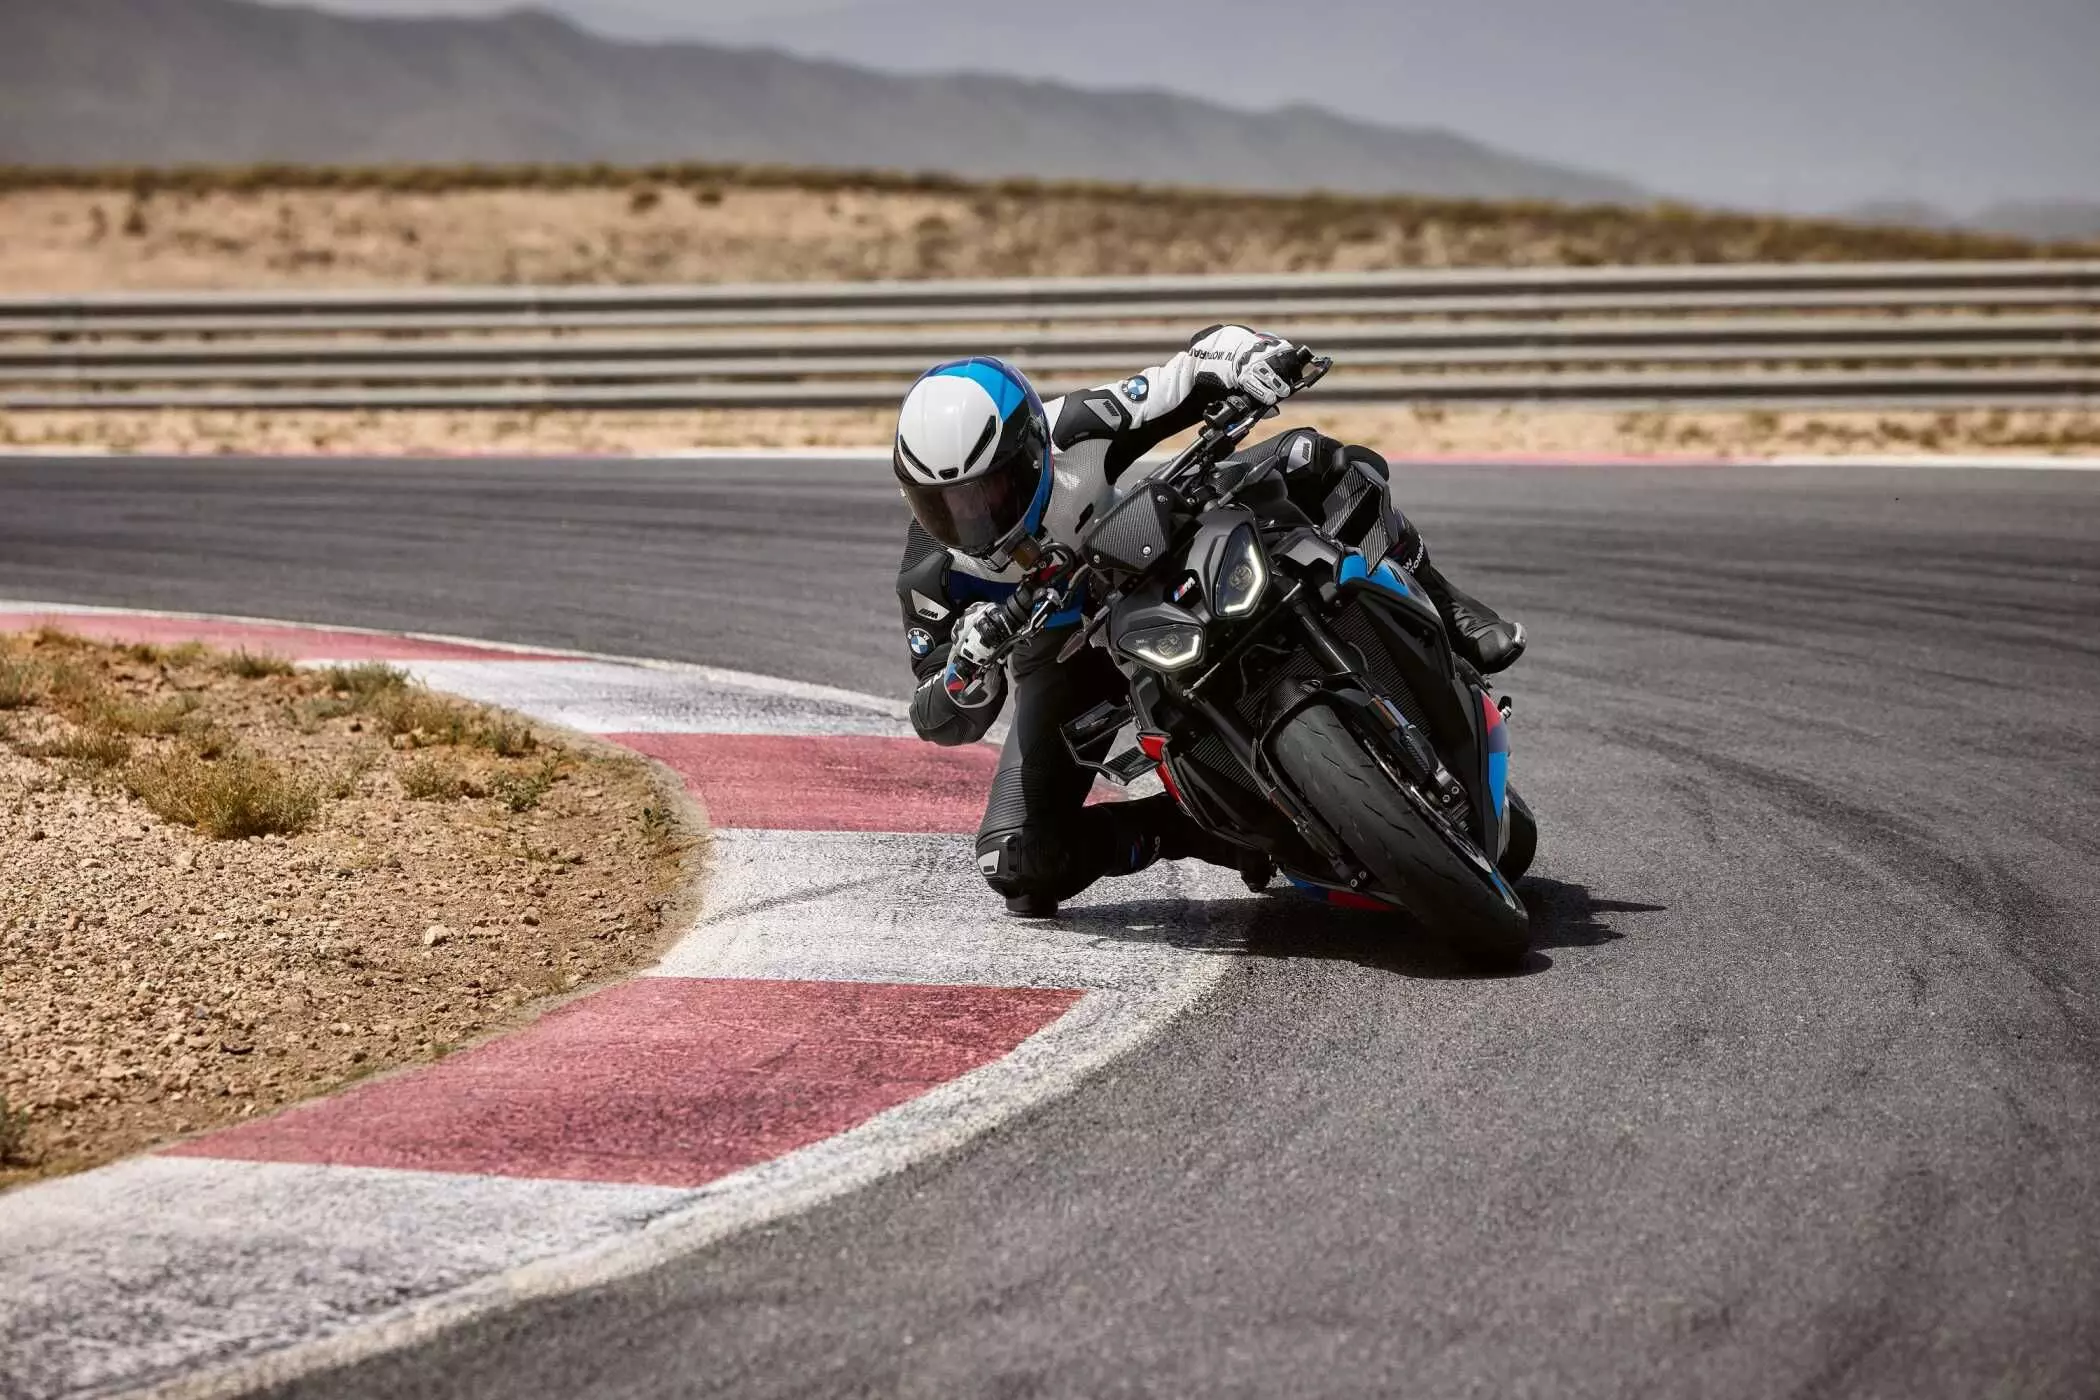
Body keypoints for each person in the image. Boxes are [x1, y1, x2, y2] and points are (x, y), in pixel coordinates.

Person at [892, 325, 1524, 917]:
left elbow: (1191, 368)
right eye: (943, 504)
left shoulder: (1077, 428)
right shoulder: (933, 574)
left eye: (990, 490)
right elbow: (939, 718)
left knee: (1309, 456)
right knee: (1016, 861)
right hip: (1068, 658)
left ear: (1033, 451)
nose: (971, 518)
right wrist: (963, 670)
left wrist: (1253, 358)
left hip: (1156, 551)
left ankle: (1446, 607)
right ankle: (1194, 828)